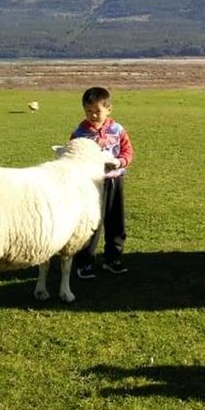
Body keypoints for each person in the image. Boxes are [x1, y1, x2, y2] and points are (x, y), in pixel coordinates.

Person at [71, 86, 134, 278]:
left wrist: (121, 162)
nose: (93, 115)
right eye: (88, 111)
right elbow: (73, 155)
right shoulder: (80, 132)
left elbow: (127, 151)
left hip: (115, 181)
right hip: (91, 184)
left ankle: (113, 259)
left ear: (108, 109)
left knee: (116, 221)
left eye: (98, 111)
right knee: (91, 223)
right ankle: (85, 262)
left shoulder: (117, 129)